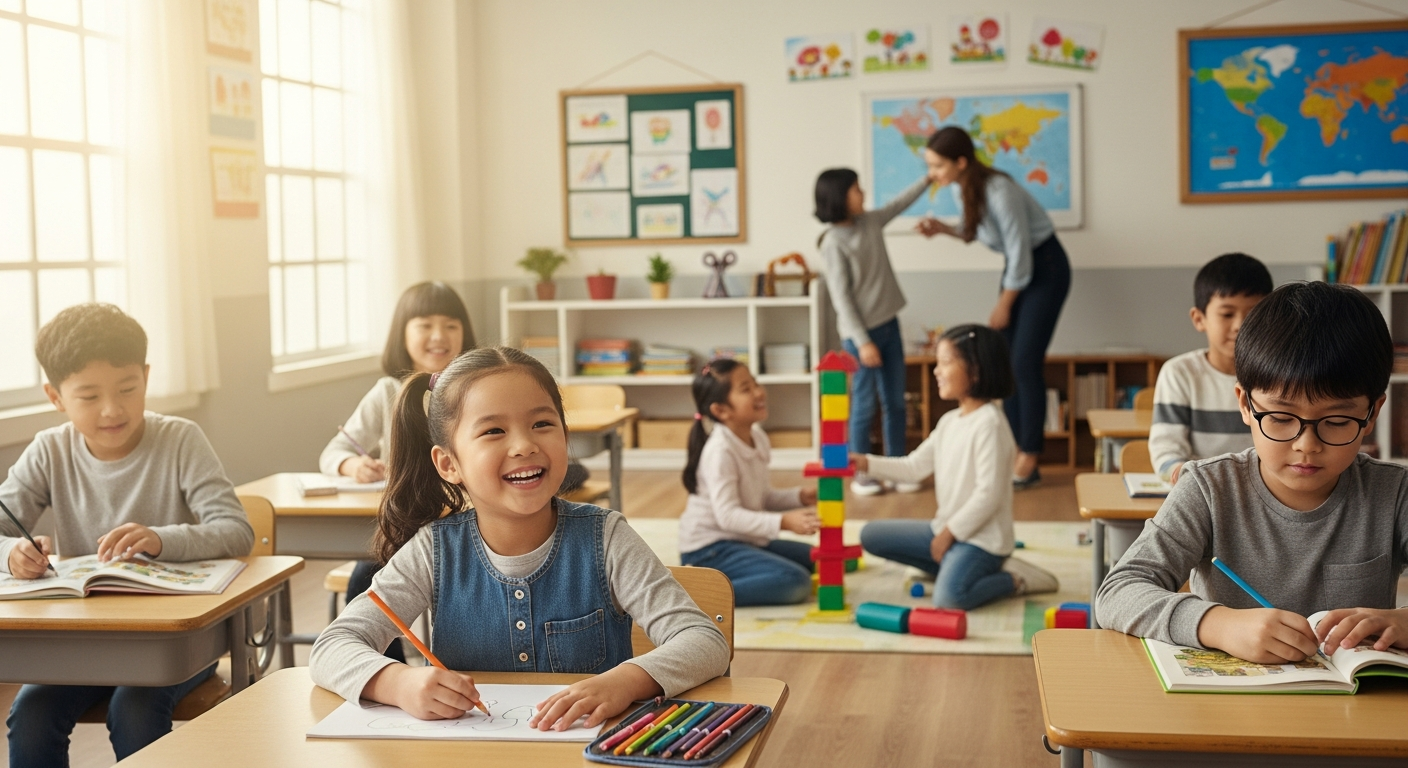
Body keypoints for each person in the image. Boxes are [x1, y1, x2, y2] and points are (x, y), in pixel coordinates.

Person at [309, 347, 730, 729]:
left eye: (542, 424)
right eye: (494, 431)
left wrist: (626, 681)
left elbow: (704, 640)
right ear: (449, 464)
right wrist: (397, 682)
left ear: (565, 435)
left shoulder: (606, 538)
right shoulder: (432, 551)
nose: (524, 445)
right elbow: (331, 647)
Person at [1097, 282, 1408, 662]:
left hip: (1359, 696)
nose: (1307, 445)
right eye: (1280, 417)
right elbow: (1118, 592)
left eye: (1337, 421)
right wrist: (1218, 625)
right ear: (1245, 404)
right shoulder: (1209, 490)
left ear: (1373, 413)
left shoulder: (1395, 494)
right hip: (1234, 696)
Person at [1, 304, 255, 765]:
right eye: (88, 396)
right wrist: (12, 553)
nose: (112, 409)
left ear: (146, 376)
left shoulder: (180, 439)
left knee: (134, 710)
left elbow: (236, 531)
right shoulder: (49, 450)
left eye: (127, 388)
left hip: (171, 643)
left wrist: (161, 539)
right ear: (55, 397)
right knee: (31, 715)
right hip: (85, 641)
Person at [857, 325, 1057, 610]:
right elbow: (914, 467)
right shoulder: (949, 421)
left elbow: (988, 495)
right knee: (871, 535)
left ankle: (1013, 579)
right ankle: (954, 568)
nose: (936, 371)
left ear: (975, 371)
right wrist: (864, 463)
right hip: (946, 531)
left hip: (983, 542)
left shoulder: (990, 424)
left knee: (949, 599)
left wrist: (948, 534)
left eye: (946, 362)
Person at [918, 127, 1070, 489]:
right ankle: (1014, 447)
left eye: (937, 166)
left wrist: (1004, 303)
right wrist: (944, 229)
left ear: (960, 162)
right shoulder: (961, 188)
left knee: (1024, 363)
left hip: (1045, 268)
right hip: (1019, 271)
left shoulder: (1000, 191)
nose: (932, 174)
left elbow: (1020, 252)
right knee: (1007, 364)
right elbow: (976, 231)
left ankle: (1029, 455)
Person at [815, 167, 932, 496]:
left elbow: (899, 204)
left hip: (888, 324)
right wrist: (864, 342)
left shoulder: (870, 222)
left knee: (895, 402)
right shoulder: (833, 243)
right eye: (856, 189)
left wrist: (927, 179)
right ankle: (862, 475)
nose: (863, 194)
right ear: (840, 197)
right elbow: (842, 299)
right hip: (860, 337)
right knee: (864, 406)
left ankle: (897, 469)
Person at [677, 359, 821, 606]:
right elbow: (728, 516)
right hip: (708, 550)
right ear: (721, 410)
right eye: (746, 389)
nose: (758, 392)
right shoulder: (721, 451)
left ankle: (729, 580)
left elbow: (760, 498)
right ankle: (697, 596)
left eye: (755, 383)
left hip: (744, 538)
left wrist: (798, 497)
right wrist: (784, 522)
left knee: (820, 558)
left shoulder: (757, 437)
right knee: (795, 581)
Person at [1149, 253, 1272, 484]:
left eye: (1253, 313)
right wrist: (1188, 479)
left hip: (1265, 490)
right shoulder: (1180, 373)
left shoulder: (1280, 375)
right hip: (1198, 489)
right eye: (1227, 314)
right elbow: (1166, 451)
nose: (1240, 325)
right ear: (1199, 319)